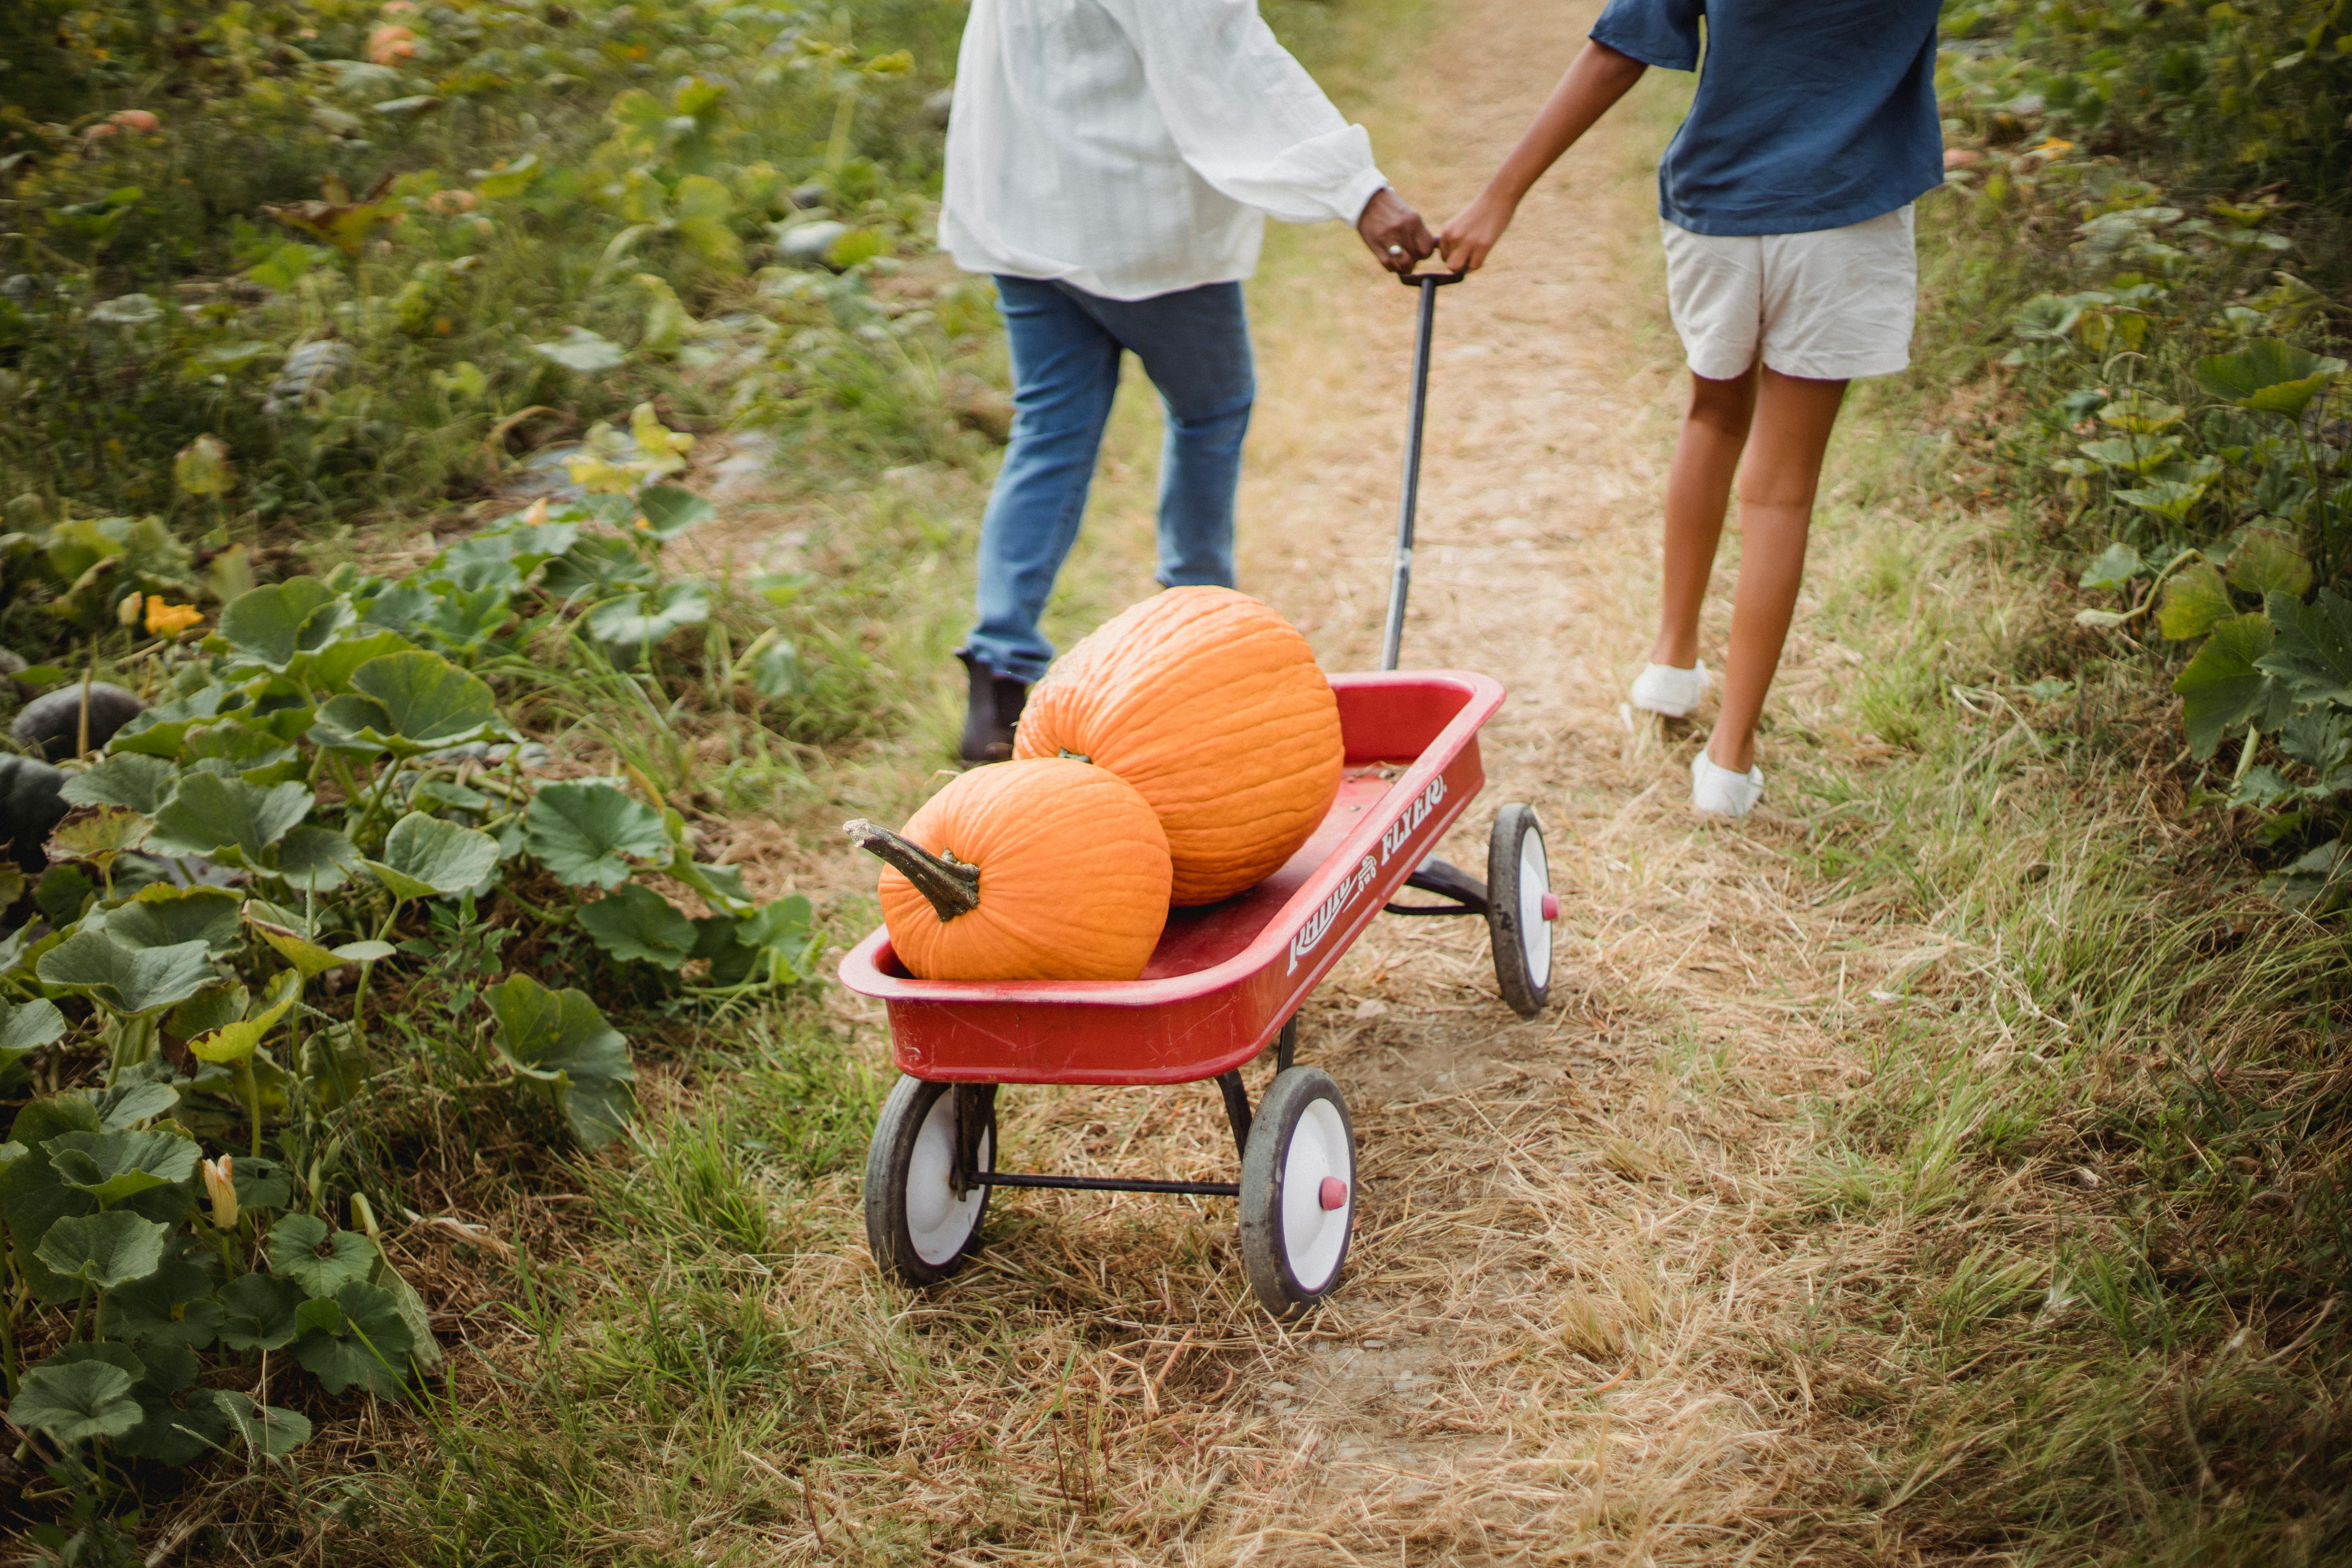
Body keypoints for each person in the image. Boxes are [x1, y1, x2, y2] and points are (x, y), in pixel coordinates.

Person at [1439, 0, 1942, 817]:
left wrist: (1502, 196)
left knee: (1711, 417)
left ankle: (1671, 662)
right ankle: (1729, 759)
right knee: (1781, 488)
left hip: (1719, 206)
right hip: (1847, 213)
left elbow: (1620, 48)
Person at [939, 0, 1437, 762]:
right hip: (1129, 219)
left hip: (1024, 206)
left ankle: (1000, 676)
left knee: (1052, 429)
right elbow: (1223, 55)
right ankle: (1197, 644)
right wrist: (1360, 191)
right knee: (1211, 409)